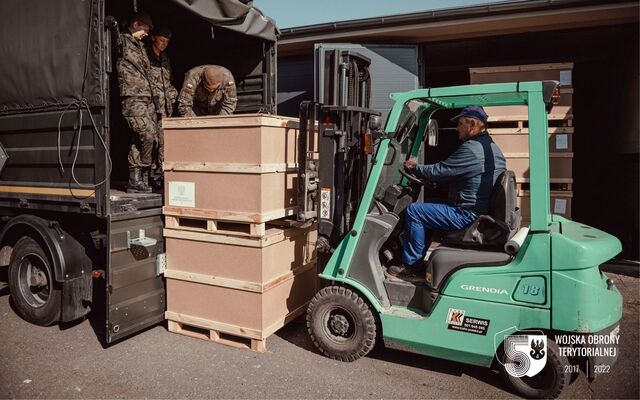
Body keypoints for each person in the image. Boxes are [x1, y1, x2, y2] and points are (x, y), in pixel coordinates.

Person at [392, 105, 506, 277]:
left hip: (467, 215)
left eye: (460, 124)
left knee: (415, 211)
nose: (456, 128)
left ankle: (411, 266)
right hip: (477, 211)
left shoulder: (472, 149)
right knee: (429, 206)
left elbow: (441, 171)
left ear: (473, 124)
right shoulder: (491, 148)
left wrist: (415, 167)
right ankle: (416, 257)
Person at [111, 11, 159, 193]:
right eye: (145, 29)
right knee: (146, 134)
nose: (147, 34)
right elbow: (113, 40)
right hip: (132, 96)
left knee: (143, 138)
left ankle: (135, 180)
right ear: (136, 24)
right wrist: (115, 26)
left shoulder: (140, 46)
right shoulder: (123, 41)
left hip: (147, 97)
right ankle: (143, 172)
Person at [146, 25, 178, 190]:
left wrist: (173, 95)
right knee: (150, 140)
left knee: (164, 143)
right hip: (149, 107)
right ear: (153, 38)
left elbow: (168, 82)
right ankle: (147, 175)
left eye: (167, 41)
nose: (164, 44)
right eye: (161, 40)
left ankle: (160, 176)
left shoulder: (165, 59)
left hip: (165, 108)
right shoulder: (144, 56)